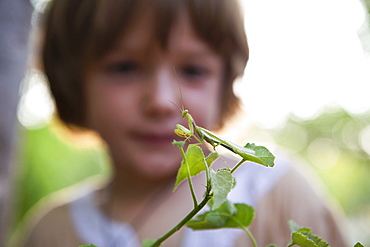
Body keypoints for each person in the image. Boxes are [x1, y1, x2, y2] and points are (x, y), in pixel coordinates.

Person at [19, 0, 348, 246]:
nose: (162, 101)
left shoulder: (276, 194)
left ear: (225, 85)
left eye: (193, 71)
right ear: (72, 84)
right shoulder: (48, 230)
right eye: (124, 68)